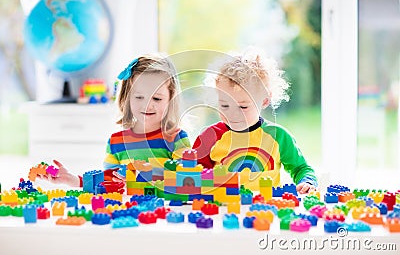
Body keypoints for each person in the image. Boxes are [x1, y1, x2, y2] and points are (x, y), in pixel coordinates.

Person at [42, 53, 191, 186]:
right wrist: (73, 179)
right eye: (139, 97)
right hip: (127, 212)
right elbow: (106, 181)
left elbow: (187, 179)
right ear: (126, 98)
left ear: (171, 99)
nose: (147, 105)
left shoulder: (176, 138)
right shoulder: (116, 142)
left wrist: (146, 176)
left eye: (157, 98)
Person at [193, 49, 317, 194]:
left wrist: (306, 182)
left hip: (266, 211)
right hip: (223, 211)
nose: (233, 114)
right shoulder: (209, 137)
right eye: (224, 105)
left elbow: (300, 168)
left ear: (264, 100)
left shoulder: (278, 136)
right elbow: (193, 173)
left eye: (243, 106)